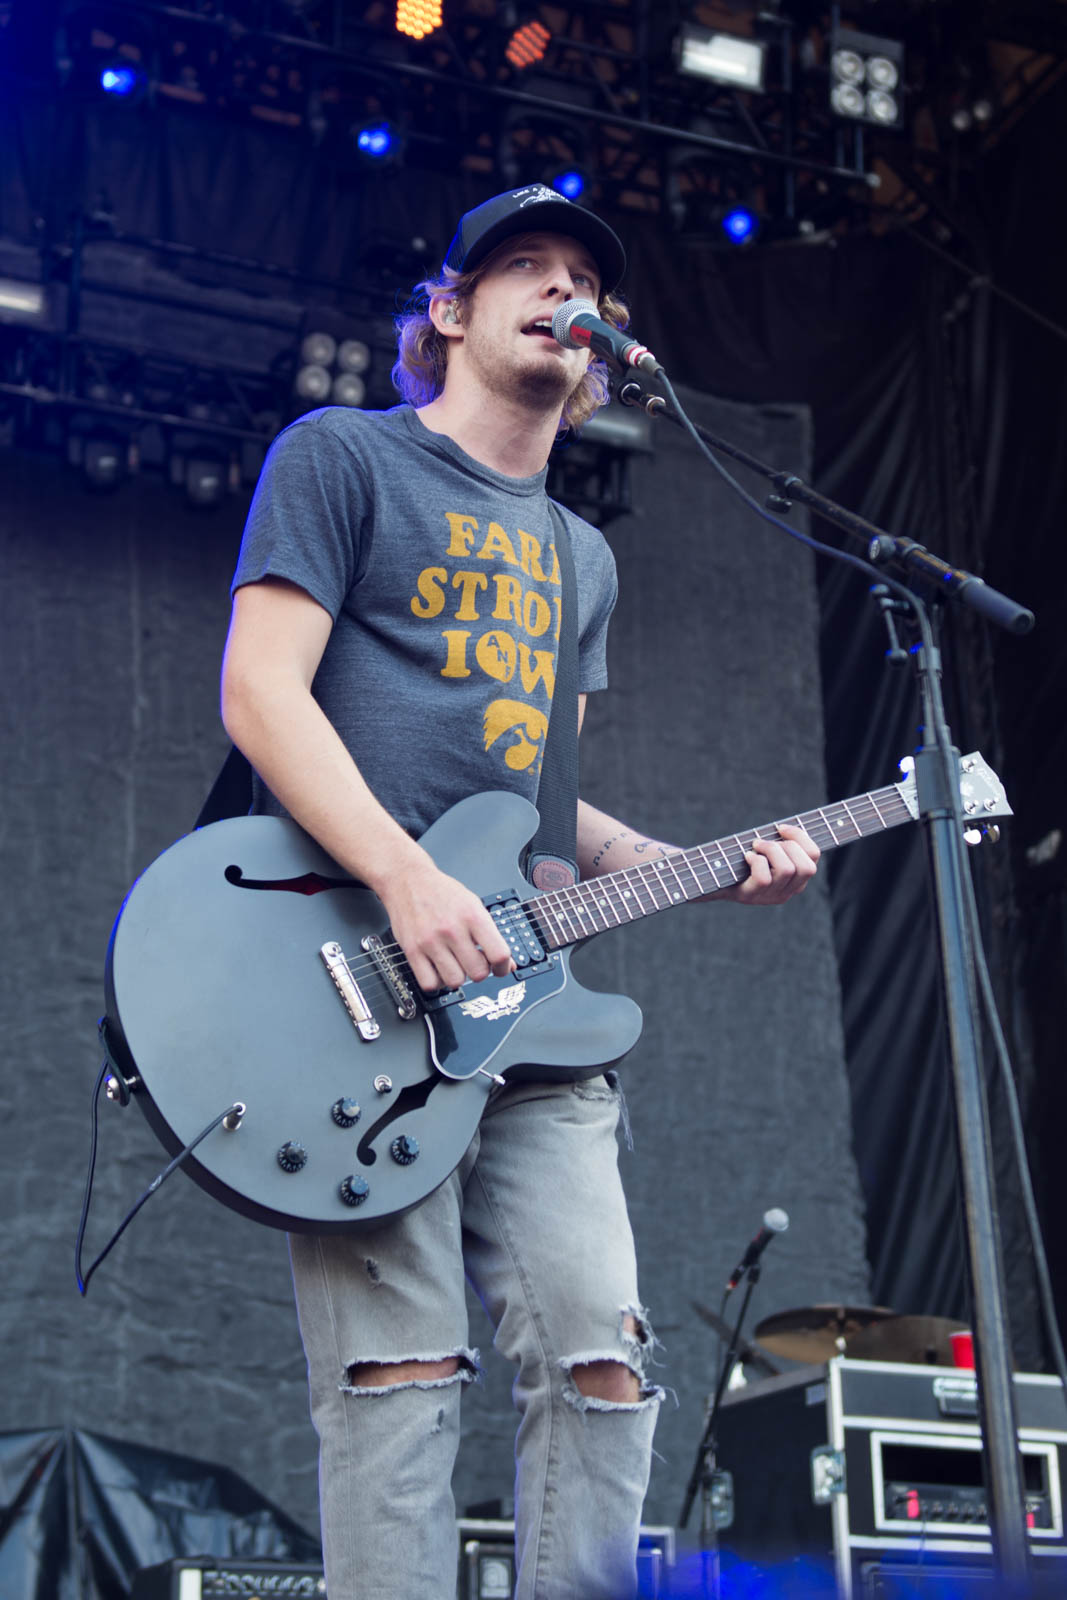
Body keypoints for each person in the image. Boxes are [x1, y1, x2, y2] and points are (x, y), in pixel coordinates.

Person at [220, 184, 819, 1600]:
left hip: (528, 1012)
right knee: (402, 1371)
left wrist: (701, 871)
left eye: (584, 281)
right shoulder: (345, 456)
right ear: (448, 310)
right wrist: (403, 875)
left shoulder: (579, 558)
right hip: (354, 982)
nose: (563, 291)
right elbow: (260, 693)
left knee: (606, 1362)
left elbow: (545, 808)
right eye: (525, 268)